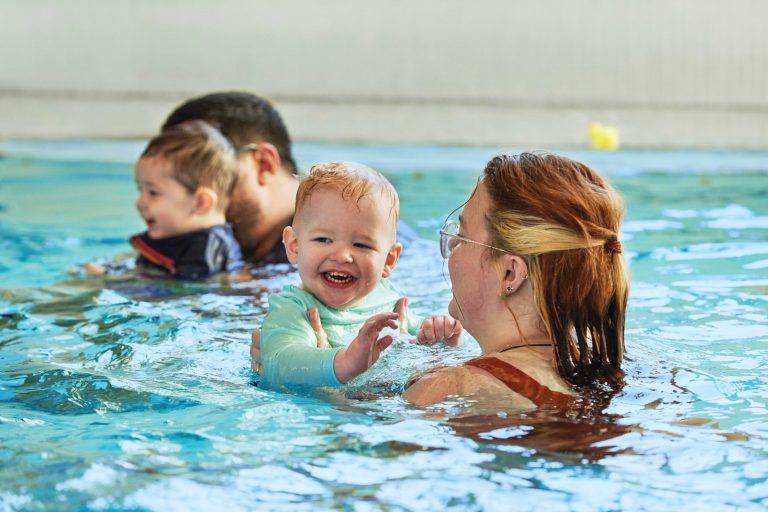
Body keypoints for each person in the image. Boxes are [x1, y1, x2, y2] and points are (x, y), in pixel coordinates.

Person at [404, 152, 629, 408]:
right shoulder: (613, 368)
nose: (451, 244)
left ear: (510, 273)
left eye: (463, 236)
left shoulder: (452, 387)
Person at [254, 162, 462, 389]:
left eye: (361, 245)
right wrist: (345, 362)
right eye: (323, 239)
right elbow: (282, 363)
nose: (342, 256)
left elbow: (418, 339)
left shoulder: (387, 300)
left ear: (388, 260)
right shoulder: (293, 309)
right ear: (294, 246)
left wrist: (439, 337)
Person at [162, 91, 419, 265]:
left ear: (263, 164)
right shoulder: (203, 248)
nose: (176, 192)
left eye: (195, 168)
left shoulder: (375, 246)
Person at [118, 121, 243, 280]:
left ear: (201, 203)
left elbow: (187, 290)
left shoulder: (208, 247)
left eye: (153, 193)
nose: (140, 203)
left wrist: (114, 283)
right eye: (140, 190)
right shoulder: (176, 234)